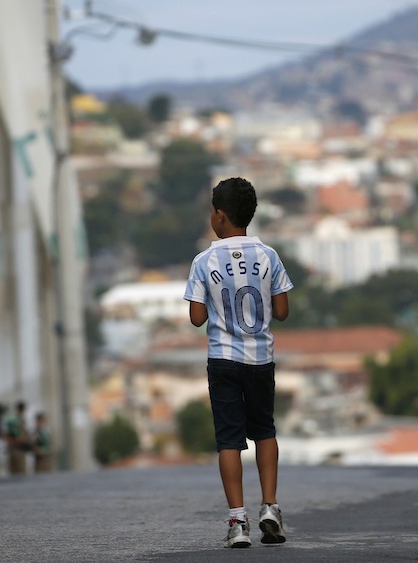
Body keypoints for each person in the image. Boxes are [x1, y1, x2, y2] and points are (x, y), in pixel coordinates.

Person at [183, 177, 294, 549]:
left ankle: (238, 522)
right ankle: (271, 507)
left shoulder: (204, 260)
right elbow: (282, 310)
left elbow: (197, 318)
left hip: (223, 359)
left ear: (218, 215)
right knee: (264, 430)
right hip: (260, 358)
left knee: (229, 440)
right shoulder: (269, 256)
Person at [3, 400, 30, 475]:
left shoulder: (12, 419)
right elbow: (22, 436)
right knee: (20, 473)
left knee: (14, 473)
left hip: (14, 449)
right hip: (18, 449)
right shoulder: (17, 420)